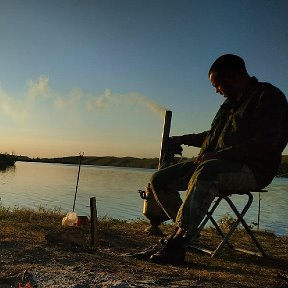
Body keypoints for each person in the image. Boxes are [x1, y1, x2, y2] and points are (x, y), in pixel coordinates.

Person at [145, 54, 288, 264]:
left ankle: (178, 243)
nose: (216, 90)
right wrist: (182, 139)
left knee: (208, 170)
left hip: (253, 169)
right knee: (159, 179)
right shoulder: (229, 104)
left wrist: (219, 155)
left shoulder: (268, 96)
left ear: (234, 76)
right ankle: (185, 232)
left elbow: (266, 143)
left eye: (218, 84)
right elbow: (211, 137)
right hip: (217, 163)